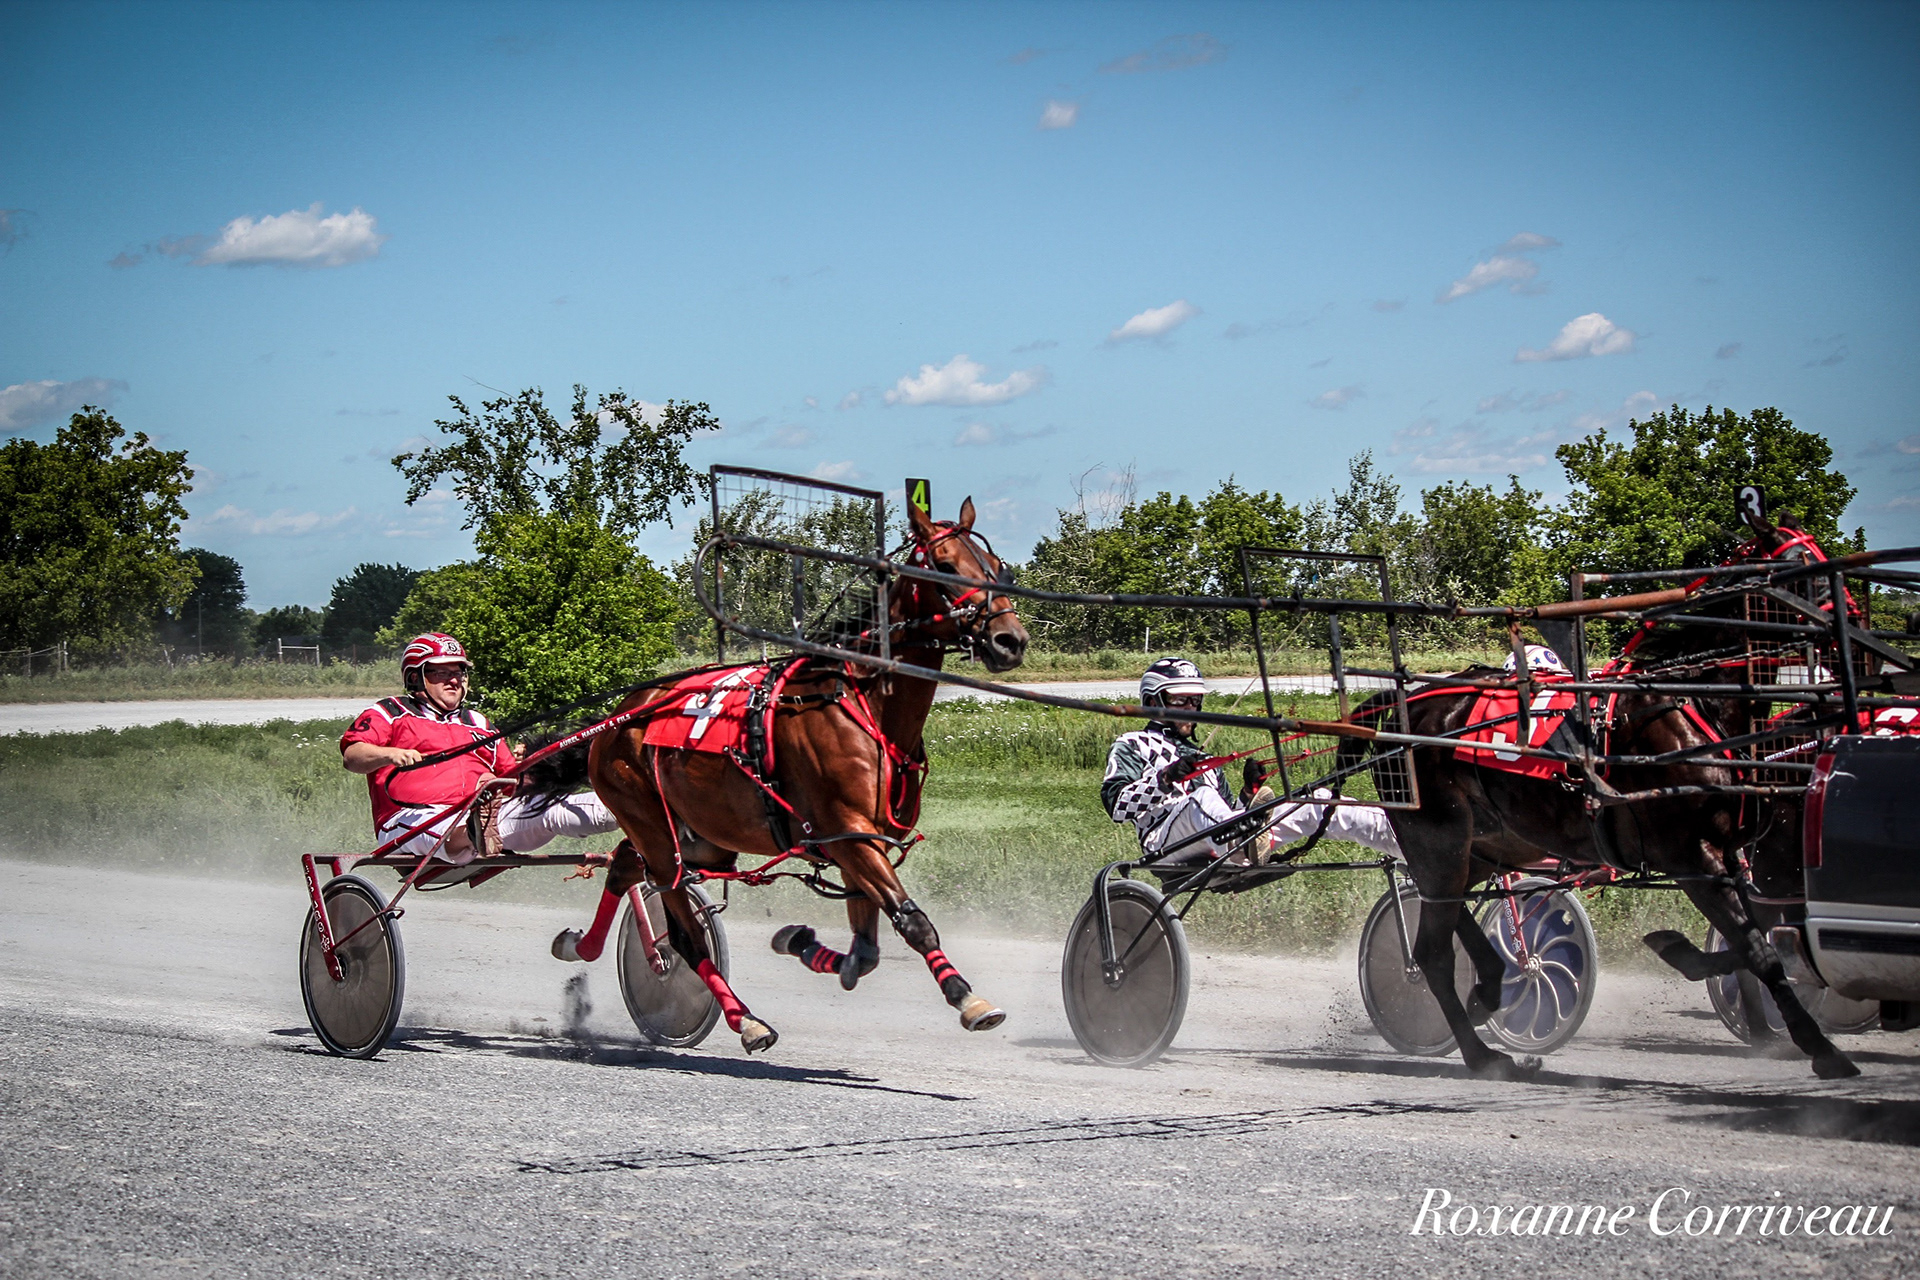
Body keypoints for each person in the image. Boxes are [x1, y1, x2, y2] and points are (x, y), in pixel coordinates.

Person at [339, 632, 621, 860]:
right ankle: (473, 830)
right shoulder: (390, 711)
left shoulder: (478, 722)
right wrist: (391, 753)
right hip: (412, 818)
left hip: (489, 815)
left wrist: (535, 767)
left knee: (555, 809)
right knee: (444, 826)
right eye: (440, 673)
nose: (453, 680)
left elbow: (511, 779)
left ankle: (645, 805)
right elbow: (353, 756)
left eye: (459, 672)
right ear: (415, 678)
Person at [1101, 656, 1401, 866]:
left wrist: (1248, 792)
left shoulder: (1204, 760)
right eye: (1181, 700)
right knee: (1202, 797)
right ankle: (1247, 839)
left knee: (1318, 800)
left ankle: (1406, 843)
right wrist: (1165, 778)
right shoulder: (1132, 743)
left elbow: (1229, 815)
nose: (1191, 707)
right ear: (1153, 702)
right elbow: (1116, 806)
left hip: (1223, 839)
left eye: (1195, 700)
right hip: (1165, 844)